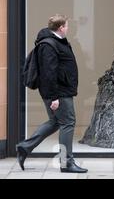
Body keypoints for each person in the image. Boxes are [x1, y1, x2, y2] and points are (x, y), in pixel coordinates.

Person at [16, 14, 88, 173]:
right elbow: (48, 74)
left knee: (55, 122)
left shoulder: (56, 42)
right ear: (61, 27)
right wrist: (54, 97)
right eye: (67, 26)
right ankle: (66, 162)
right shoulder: (48, 45)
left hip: (60, 90)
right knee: (67, 123)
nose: (68, 28)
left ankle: (24, 147)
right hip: (58, 92)